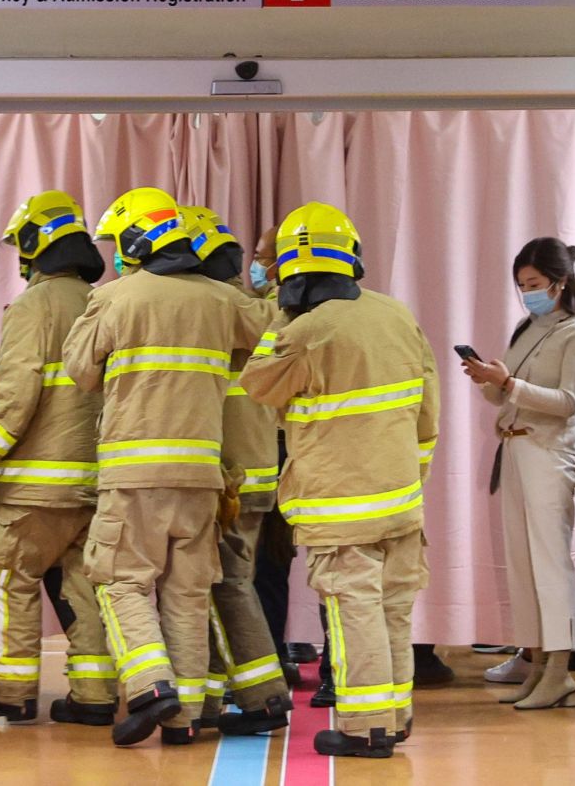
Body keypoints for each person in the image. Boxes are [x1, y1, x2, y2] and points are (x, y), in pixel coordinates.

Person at [64, 186, 269, 747]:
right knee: (187, 593)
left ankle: (152, 686)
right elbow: (272, 335)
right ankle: (186, 720)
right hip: (201, 476)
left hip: (134, 475)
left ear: (134, 242)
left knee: (119, 582)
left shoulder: (117, 297)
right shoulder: (222, 301)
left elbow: (80, 371)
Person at [240, 201, 439, 759]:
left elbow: (258, 384)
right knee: (393, 611)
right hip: (401, 499)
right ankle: (394, 717)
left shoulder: (305, 333)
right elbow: (428, 413)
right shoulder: (396, 316)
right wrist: (409, 474)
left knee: (355, 616)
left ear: (290, 273)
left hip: (339, 508)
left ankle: (365, 728)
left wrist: (282, 315)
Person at [0, 191, 118, 726]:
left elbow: (16, 396)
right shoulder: (105, 302)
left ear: (34, 245)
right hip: (95, 485)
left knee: (12, 580)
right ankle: (95, 698)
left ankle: (10, 694)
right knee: (83, 589)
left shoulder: (33, 306)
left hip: (32, 490)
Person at [461, 237, 575, 711]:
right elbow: (506, 395)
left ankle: (561, 669)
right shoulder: (530, 326)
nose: (528, 292)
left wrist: (508, 383)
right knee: (522, 565)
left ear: (562, 283)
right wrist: (492, 380)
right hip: (516, 448)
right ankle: (538, 663)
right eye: (522, 285)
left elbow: (567, 403)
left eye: (536, 284)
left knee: (549, 563)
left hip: (549, 453)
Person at [177, 205, 291, 735]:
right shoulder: (254, 310)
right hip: (257, 470)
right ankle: (228, 694)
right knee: (225, 583)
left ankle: (262, 697)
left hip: (229, 477)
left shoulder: (212, 308)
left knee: (222, 584)